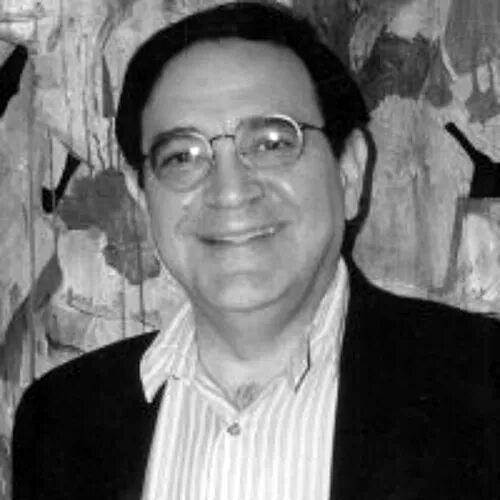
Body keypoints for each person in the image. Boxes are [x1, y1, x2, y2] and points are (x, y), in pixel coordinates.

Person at [12, 2, 499, 499]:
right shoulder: (61, 420)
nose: (230, 191)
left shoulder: (481, 385)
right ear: (143, 198)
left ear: (349, 172)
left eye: (271, 143)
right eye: (182, 157)